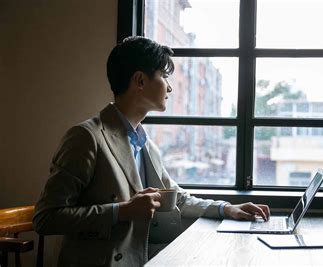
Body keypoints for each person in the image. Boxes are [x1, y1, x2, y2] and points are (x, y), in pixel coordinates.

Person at [33, 36, 270, 266]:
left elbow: (178, 198)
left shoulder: (146, 144)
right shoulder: (86, 137)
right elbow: (46, 218)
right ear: (140, 80)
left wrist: (226, 208)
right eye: (164, 76)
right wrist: (121, 211)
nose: (170, 87)